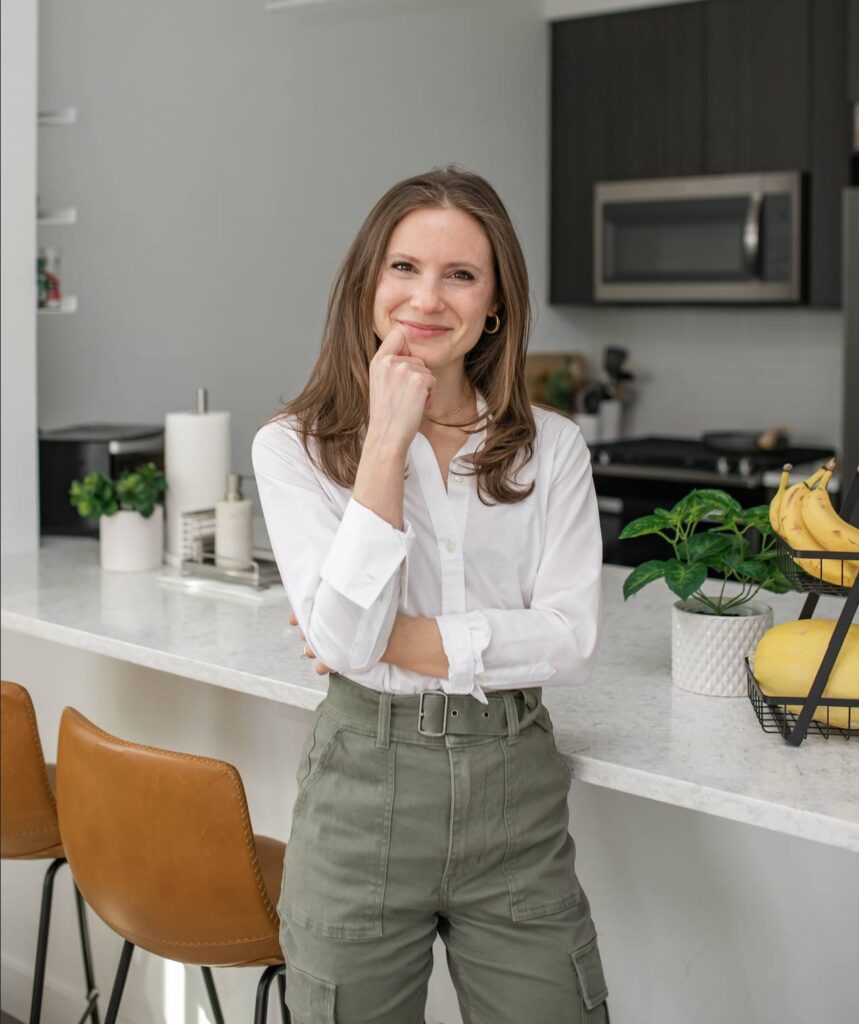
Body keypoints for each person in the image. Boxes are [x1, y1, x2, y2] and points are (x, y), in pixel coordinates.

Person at [252, 167, 608, 1024]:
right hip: (361, 796)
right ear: (368, 285)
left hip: (514, 797)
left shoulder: (550, 449)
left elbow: (567, 638)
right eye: (405, 268)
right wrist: (385, 440)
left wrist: (394, 639)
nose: (427, 297)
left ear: (493, 305)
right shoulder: (292, 449)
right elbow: (343, 644)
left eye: (460, 274)